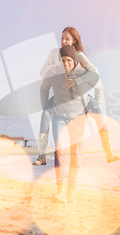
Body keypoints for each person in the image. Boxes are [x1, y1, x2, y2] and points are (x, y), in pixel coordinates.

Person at [32, 27, 120, 166]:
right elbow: (42, 73)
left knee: (98, 114)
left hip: (80, 95)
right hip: (59, 96)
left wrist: (77, 80)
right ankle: (41, 155)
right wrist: (50, 69)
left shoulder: (79, 55)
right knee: (45, 116)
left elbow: (94, 72)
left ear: (74, 41)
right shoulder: (54, 53)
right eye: (62, 38)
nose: (63, 41)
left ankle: (108, 152)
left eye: (67, 39)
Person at [40, 45, 98, 203]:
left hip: (78, 119)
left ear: (74, 61)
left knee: (76, 156)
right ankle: (61, 190)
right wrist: (46, 106)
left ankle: (71, 191)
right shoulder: (55, 74)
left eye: (68, 61)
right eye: (63, 61)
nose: (65, 64)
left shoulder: (83, 74)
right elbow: (43, 88)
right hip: (59, 117)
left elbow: (94, 80)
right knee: (60, 152)